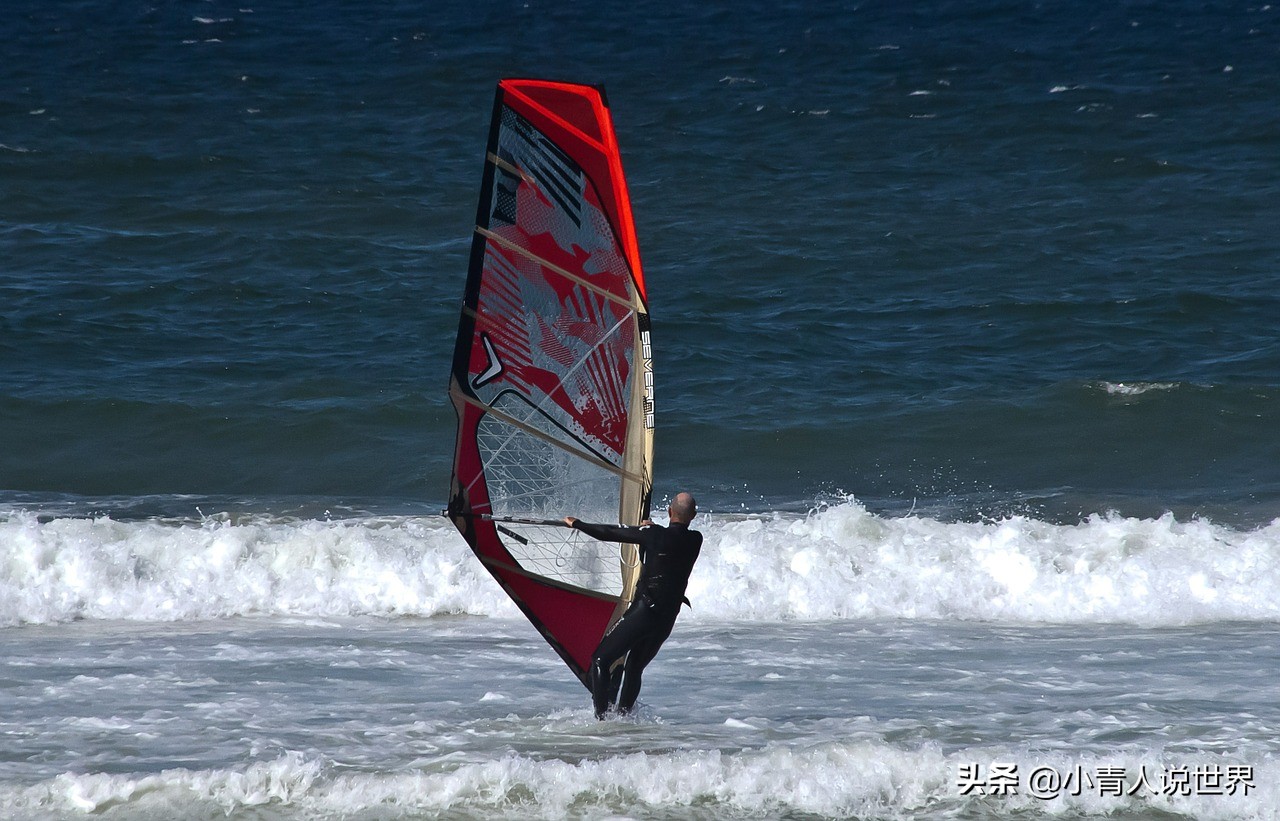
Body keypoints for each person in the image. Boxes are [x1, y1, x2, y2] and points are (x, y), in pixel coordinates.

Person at [563, 492, 702, 719]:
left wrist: (577, 524)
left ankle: (602, 720)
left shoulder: (652, 535)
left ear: (669, 511)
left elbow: (609, 533)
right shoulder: (696, 539)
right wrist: (651, 531)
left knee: (600, 659)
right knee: (634, 667)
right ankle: (623, 720)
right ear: (693, 516)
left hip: (644, 612)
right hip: (667, 618)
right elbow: (670, 540)